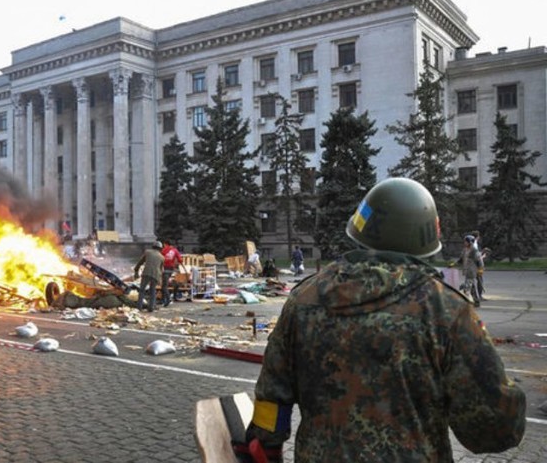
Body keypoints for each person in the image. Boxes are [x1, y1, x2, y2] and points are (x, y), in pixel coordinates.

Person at [244, 178, 525, 462]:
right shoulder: (446, 310)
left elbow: (271, 398)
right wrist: (505, 390)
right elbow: (494, 430)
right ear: (426, 239)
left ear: (360, 230)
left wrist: (265, 447)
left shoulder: (303, 299)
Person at [453, 235, 484, 307]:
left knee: (466, 287)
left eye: (466, 242)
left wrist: (480, 269)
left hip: (472, 272)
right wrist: (454, 264)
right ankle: (476, 301)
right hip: (466, 271)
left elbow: (479, 261)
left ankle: (465, 303)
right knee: (473, 288)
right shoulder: (465, 250)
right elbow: (461, 259)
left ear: (470, 242)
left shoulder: (474, 251)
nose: (464, 243)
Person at [134, 241, 164, 312]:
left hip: (146, 273)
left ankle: (139, 307)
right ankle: (151, 308)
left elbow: (140, 262)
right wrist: (160, 279)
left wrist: (136, 271)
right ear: (160, 248)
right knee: (152, 291)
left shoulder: (147, 252)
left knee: (142, 291)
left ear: (153, 246)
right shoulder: (162, 257)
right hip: (156, 275)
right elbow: (161, 269)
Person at [160, 240, 187, 307]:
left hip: (164, 268)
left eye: (164, 245)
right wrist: (183, 267)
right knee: (166, 284)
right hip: (171, 269)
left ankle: (166, 299)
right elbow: (180, 260)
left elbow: (159, 258)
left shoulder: (163, 250)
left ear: (165, 244)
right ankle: (165, 299)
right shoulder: (175, 250)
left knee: (164, 285)